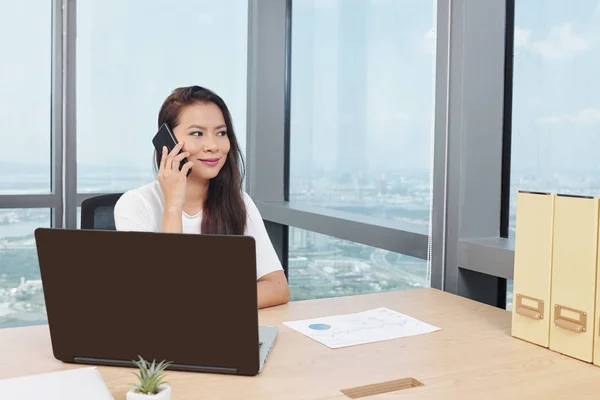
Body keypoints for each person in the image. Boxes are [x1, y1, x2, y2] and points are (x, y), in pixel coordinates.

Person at [113, 85, 290, 309]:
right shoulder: (135, 205)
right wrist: (173, 205)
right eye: (197, 133)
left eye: (221, 133)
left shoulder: (238, 201)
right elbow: (162, 299)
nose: (213, 146)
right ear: (167, 142)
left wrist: (199, 301)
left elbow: (277, 287)